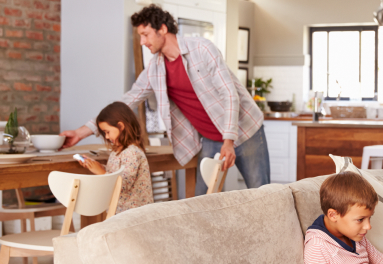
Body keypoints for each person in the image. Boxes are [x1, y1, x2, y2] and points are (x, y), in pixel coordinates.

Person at [60, 4, 269, 196]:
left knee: (263, 195)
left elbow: (229, 94)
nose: (142, 41)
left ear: (162, 29)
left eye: (145, 34)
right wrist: (80, 133)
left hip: (244, 131)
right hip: (211, 138)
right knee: (202, 202)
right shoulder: (155, 68)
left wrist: (229, 141)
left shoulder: (202, 49)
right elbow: (127, 101)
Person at [78, 102, 153, 214]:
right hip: (120, 212)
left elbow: (123, 185)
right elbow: (115, 172)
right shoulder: (117, 151)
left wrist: (102, 172)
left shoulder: (132, 152)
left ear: (121, 126)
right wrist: (96, 166)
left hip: (134, 215)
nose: (107, 137)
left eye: (107, 132)